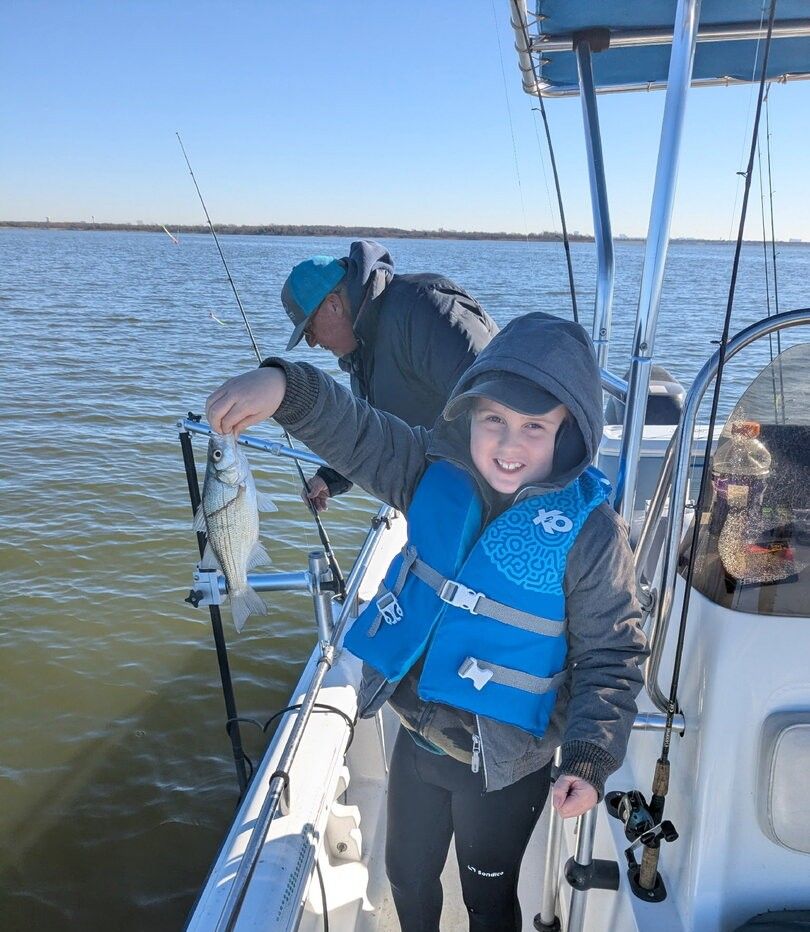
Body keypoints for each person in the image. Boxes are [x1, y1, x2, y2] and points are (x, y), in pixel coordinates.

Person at [206, 311, 647, 932]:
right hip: (415, 736)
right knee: (409, 880)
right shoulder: (426, 469)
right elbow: (359, 432)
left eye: (534, 426)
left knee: (488, 900)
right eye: (493, 418)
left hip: (506, 766)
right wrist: (286, 388)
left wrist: (588, 757)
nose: (508, 444)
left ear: (568, 432)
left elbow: (614, 655)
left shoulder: (594, 536)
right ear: (468, 414)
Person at [280, 240, 498, 510]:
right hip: (438, 495)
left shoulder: (424, 308)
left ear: (334, 305)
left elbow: (495, 401)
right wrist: (331, 476)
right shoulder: (360, 348)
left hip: (483, 497)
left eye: (309, 330)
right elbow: (376, 424)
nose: (312, 343)